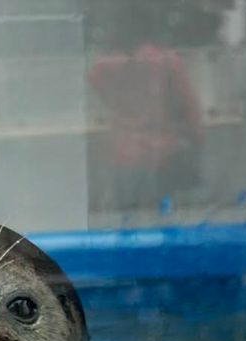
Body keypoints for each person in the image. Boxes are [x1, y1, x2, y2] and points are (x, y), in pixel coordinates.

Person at [87, 13, 204, 211]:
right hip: (164, 153)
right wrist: (198, 140)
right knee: (165, 215)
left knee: (124, 215)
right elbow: (189, 106)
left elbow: (97, 89)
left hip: (122, 153)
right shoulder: (168, 61)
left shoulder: (104, 66)